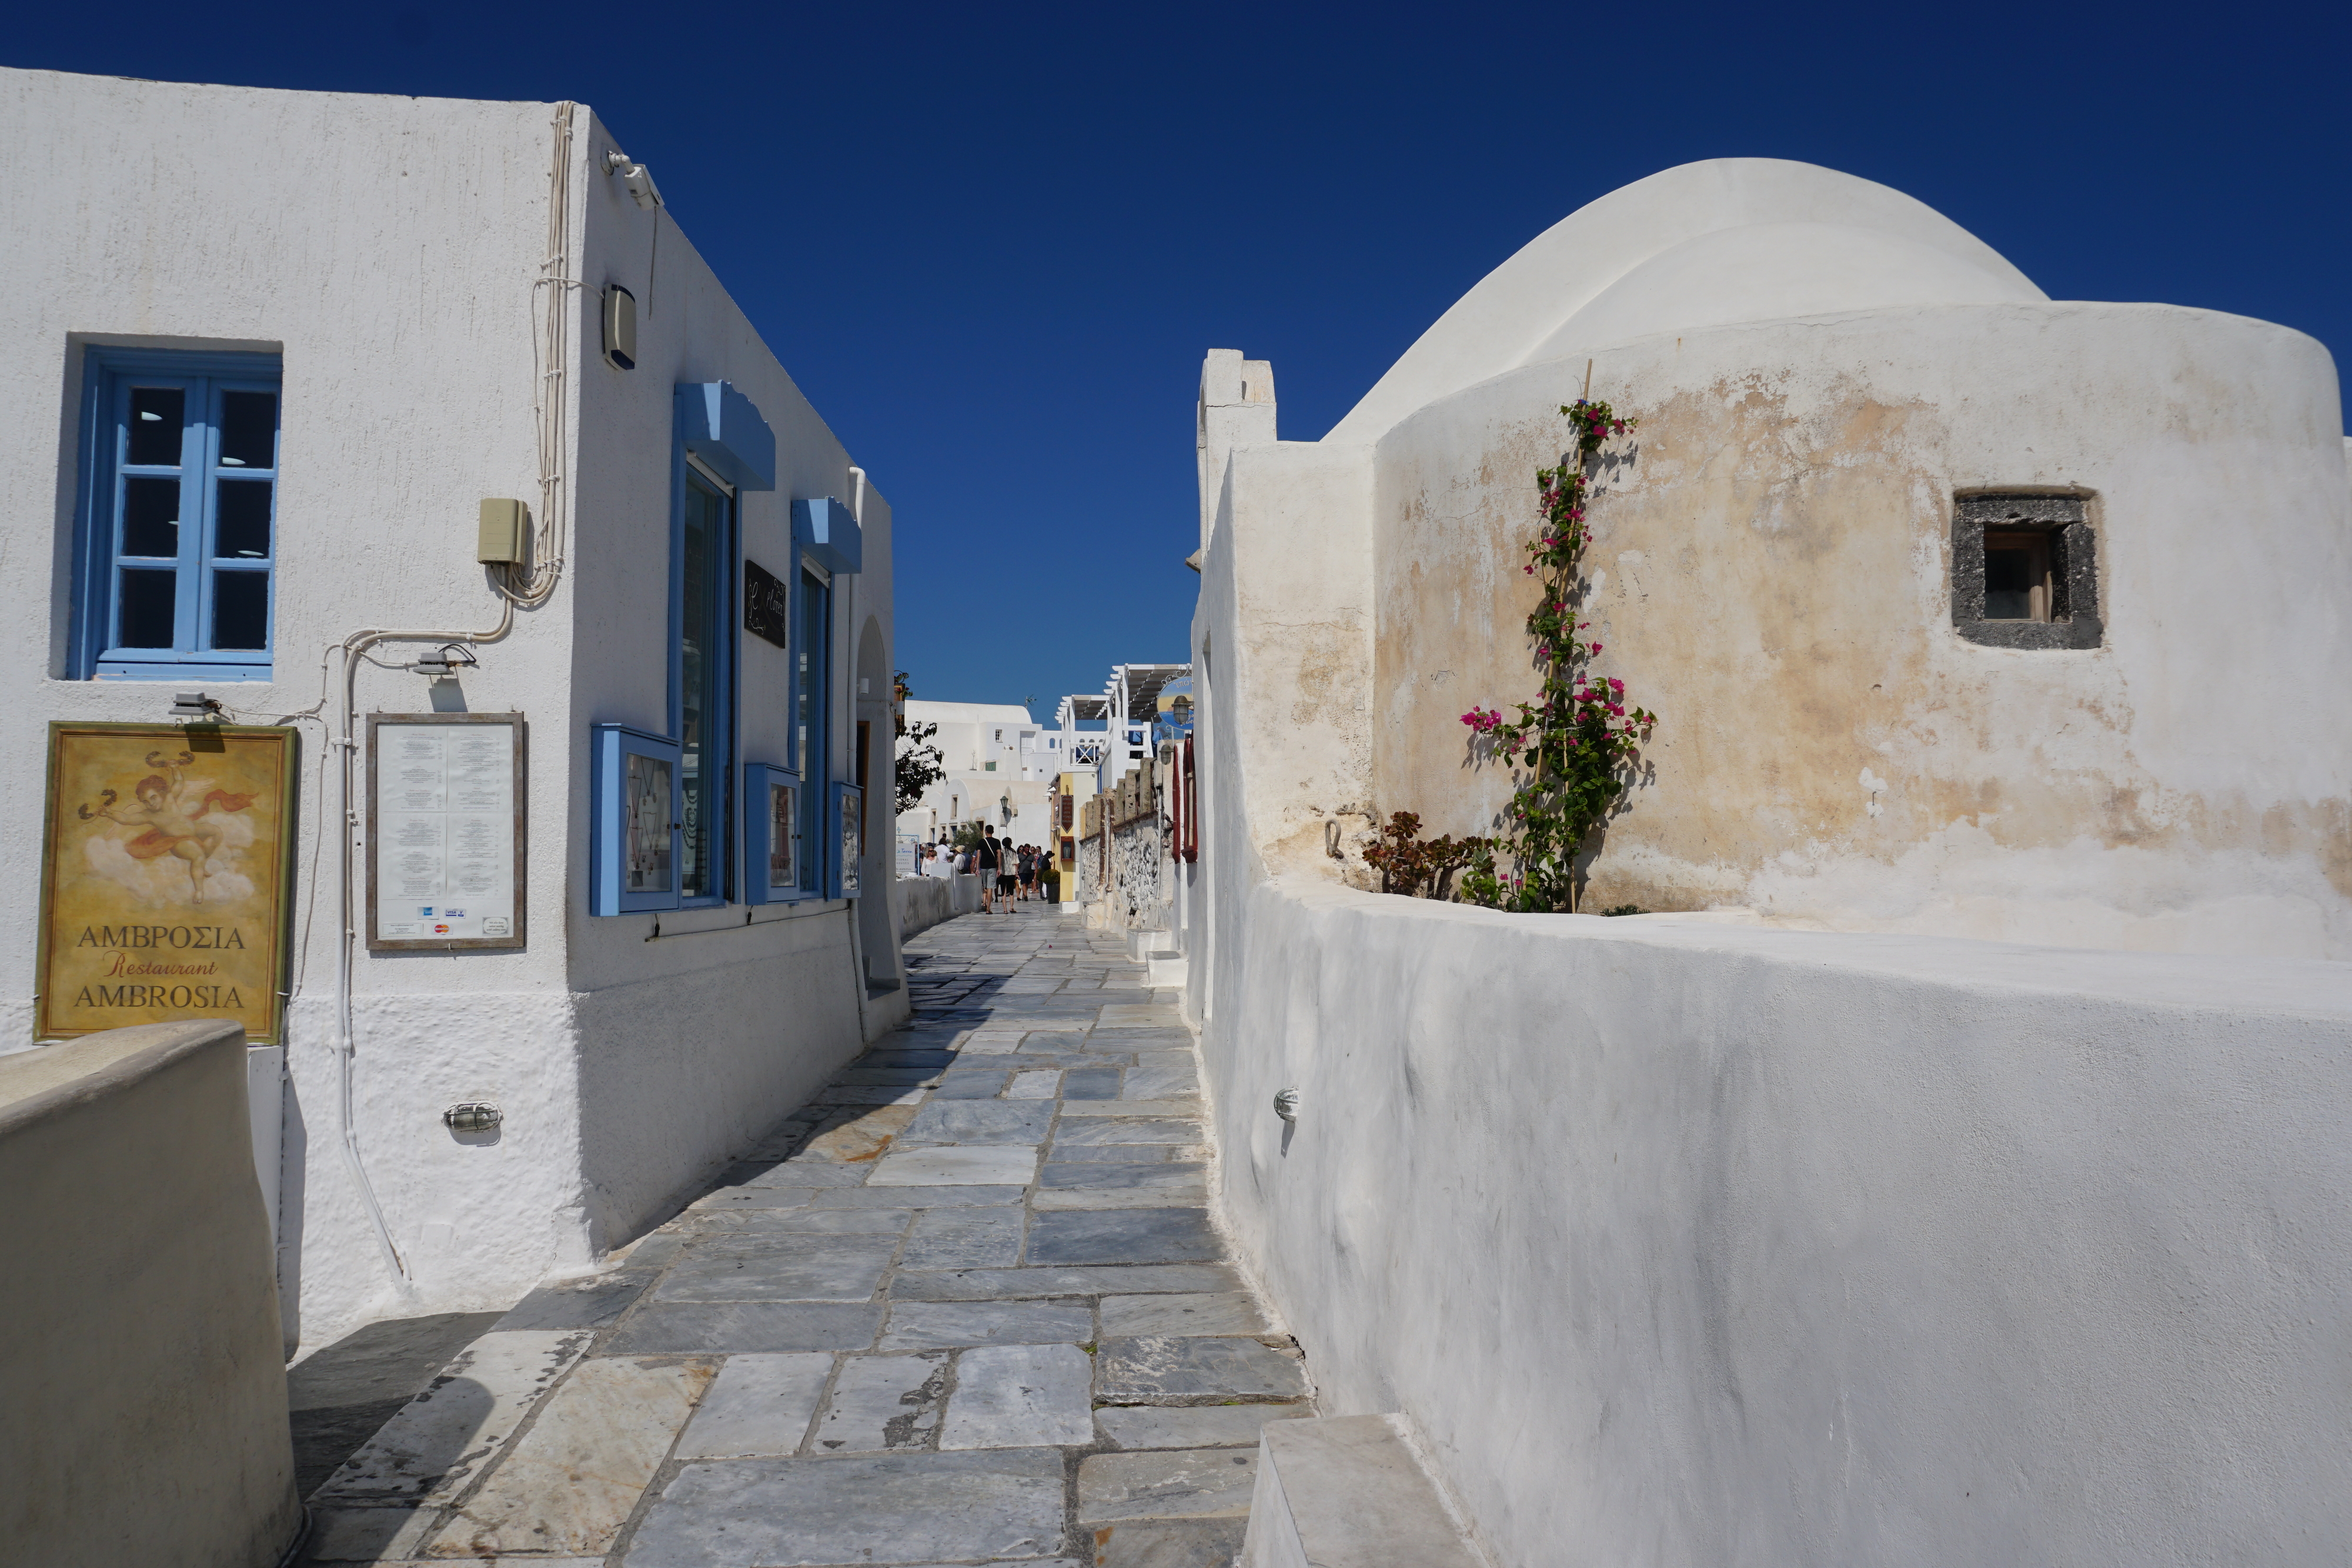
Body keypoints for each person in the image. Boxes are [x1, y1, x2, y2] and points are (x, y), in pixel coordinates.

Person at [975, 828, 1001, 911]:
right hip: (993, 867)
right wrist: (999, 868)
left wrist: (977, 868)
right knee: (990, 887)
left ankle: (984, 903)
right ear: (993, 832)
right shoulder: (997, 842)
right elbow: (999, 856)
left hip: (983, 867)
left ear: (986, 832)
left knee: (985, 886)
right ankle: (989, 908)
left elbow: (978, 856)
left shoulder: (981, 842)